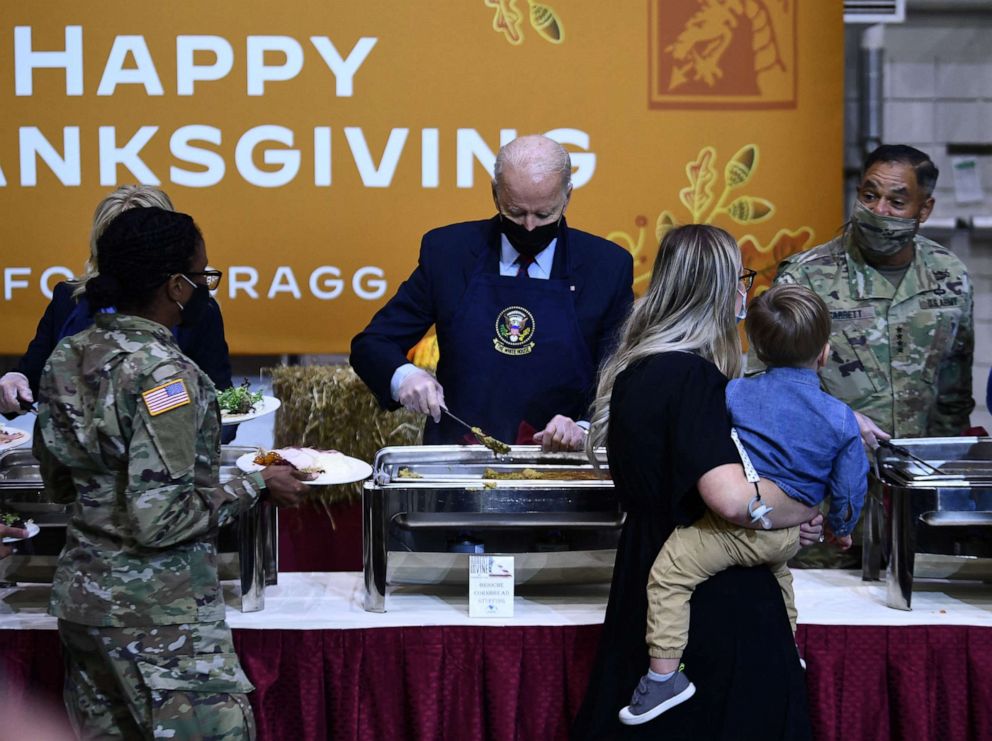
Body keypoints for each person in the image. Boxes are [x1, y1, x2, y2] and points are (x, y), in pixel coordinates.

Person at [33, 206, 306, 739]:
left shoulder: (68, 355)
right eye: (203, 276)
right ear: (176, 287)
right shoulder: (167, 375)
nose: (207, 287)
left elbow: (59, 482)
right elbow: (159, 518)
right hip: (159, 622)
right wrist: (255, 484)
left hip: (84, 608)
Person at [572, 224, 822, 740]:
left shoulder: (636, 372)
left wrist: (778, 514)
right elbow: (732, 500)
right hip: (714, 609)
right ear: (719, 289)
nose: (745, 291)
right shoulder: (693, 379)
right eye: (741, 278)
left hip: (649, 584)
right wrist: (803, 505)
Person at [619, 283, 868, 726]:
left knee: (670, 576)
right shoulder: (841, 417)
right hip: (786, 538)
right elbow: (850, 484)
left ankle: (663, 677)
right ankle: (788, 651)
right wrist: (841, 526)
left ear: (753, 345)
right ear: (825, 353)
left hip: (735, 533)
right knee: (780, 581)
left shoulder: (732, 394)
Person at [350, 134, 633, 451]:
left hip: (561, 463)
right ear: (495, 194)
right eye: (515, 212)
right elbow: (372, 344)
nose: (528, 227)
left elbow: (621, 374)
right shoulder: (449, 253)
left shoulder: (606, 268)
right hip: (461, 459)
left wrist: (584, 427)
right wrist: (405, 377)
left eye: (543, 215)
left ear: (567, 197)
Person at [766, 144, 974, 565]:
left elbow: (954, 395)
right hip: (822, 511)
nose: (879, 209)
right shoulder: (807, 276)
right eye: (869, 195)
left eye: (897, 202)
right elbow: (766, 390)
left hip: (915, 508)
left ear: (925, 208)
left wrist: (948, 487)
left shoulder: (949, 275)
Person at [0, 186, 235, 425]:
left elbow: (221, 408)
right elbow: (26, 385)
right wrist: (12, 383)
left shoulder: (197, 313)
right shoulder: (69, 302)